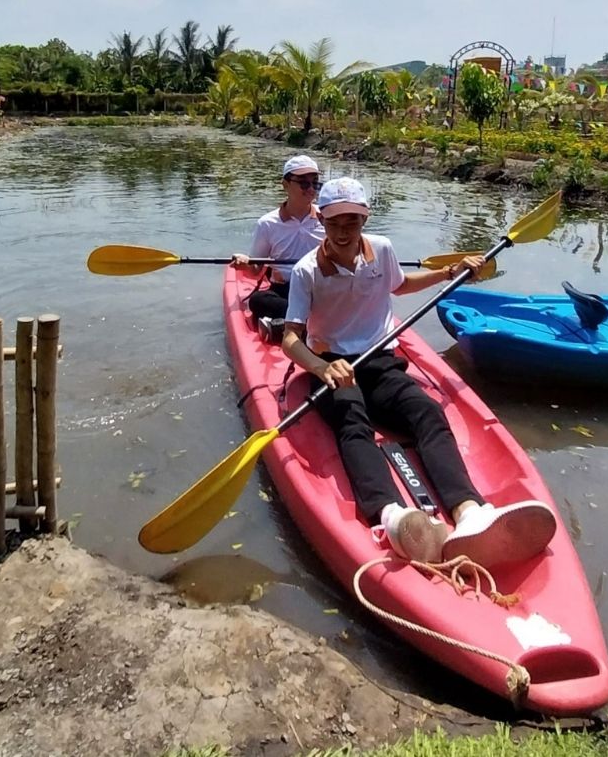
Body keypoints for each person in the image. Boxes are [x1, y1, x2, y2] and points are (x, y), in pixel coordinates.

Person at [281, 176, 556, 567]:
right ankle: (392, 516)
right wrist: (322, 366)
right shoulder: (307, 271)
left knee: (427, 412)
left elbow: (401, 285)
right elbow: (290, 339)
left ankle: (469, 512)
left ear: (364, 219)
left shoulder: (382, 249)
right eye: (335, 222)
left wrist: (449, 272)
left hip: (380, 360)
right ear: (321, 220)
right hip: (335, 367)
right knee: (352, 421)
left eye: (352, 222)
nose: (343, 231)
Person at [232, 154, 325, 326]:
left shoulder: (326, 218)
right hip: (285, 290)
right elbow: (255, 269)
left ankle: (289, 323)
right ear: (286, 185)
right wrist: (245, 262)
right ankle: (309, 320)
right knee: (258, 300)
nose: (311, 189)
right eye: (304, 183)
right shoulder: (268, 223)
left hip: (320, 289)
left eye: (315, 183)